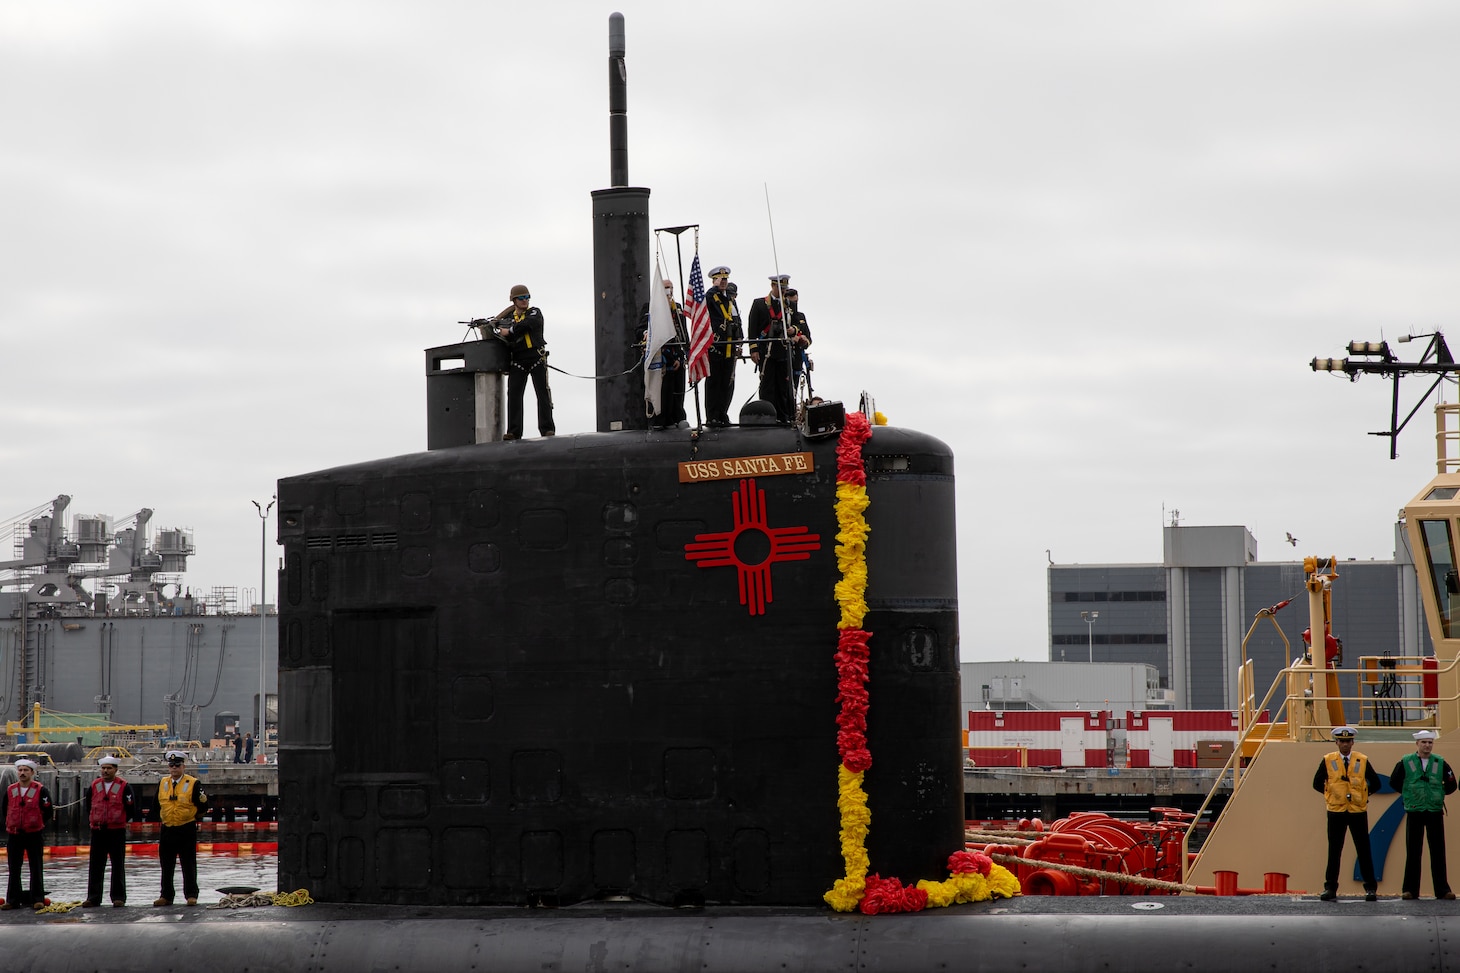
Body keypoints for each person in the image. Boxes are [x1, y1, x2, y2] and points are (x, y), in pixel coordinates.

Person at [1311, 726, 1379, 901]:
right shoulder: (1328, 760)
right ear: (1337, 742)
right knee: (1334, 851)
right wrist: (1331, 794)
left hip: (1357, 811)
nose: (1345, 744)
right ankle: (1330, 888)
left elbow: (1376, 783)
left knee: (1364, 850)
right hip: (1336, 811)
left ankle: (1370, 888)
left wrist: (1363, 794)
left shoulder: (1362, 760)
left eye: (1348, 741)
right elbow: (1317, 782)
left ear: (1352, 742)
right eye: (1342, 741)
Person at [1389, 729, 1458, 899]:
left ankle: (1442, 890)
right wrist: (1409, 794)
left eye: (1430, 742)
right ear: (1417, 744)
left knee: (1438, 851)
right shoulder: (1406, 762)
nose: (1427, 746)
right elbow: (1394, 781)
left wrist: (1438, 795)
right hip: (1415, 810)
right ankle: (1410, 890)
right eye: (1424, 742)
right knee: (1413, 851)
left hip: (1434, 810)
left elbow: (1451, 784)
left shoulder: (1440, 762)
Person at [491, 284, 555, 441]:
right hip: (518, 359)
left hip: (536, 357)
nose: (525, 300)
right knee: (514, 395)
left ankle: (547, 429)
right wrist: (495, 324)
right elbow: (495, 328)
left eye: (527, 297)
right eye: (521, 298)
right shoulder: (508, 319)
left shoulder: (534, 312)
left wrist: (510, 331)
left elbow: (528, 324)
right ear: (514, 300)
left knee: (542, 394)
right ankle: (514, 431)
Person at [82, 755, 139, 908]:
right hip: (98, 830)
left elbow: (130, 808)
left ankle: (118, 897)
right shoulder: (95, 786)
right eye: (103, 768)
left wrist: (119, 820)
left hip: (116, 831)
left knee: (118, 865)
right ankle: (93, 897)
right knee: (96, 865)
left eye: (109, 768)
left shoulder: (123, 786)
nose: (105, 771)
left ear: (115, 769)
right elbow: (88, 805)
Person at [155, 750, 208, 907]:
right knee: (166, 864)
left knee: (188, 864)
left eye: (177, 765)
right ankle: (166, 896)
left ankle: (191, 895)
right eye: (171, 765)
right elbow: (155, 805)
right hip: (167, 828)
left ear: (183, 766)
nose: (174, 768)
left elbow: (203, 806)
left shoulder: (193, 783)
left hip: (186, 828)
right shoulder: (163, 783)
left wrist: (192, 818)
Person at [1, 758, 52, 911]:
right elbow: (5, 809)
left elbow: (48, 810)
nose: (22, 773)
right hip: (15, 834)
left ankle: (37, 898)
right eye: (20, 770)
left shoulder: (40, 790)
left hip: (34, 834)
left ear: (32, 773)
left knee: (36, 867)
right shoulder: (11, 790)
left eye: (26, 770)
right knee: (14, 868)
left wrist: (36, 823)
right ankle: (12, 899)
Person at [640, 278, 687, 429]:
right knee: (663, 391)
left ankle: (678, 417)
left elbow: (683, 334)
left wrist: (682, 356)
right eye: (666, 287)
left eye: (671, 287)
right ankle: (661, 420)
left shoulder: (677, 308)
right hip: (661, 356)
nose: (670, 290)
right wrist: (645, 334)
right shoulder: (651, 307)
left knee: (678, 389)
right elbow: (640, 329)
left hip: (676, 355)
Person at [748, 274, 795, 421]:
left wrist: (793, 329)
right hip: (766, 352)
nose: (783, 292)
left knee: (783, 386)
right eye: (780, 288)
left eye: (785, 289)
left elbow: (797, 324)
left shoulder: (789, 305)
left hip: (782, 351)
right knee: (768, 386)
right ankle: (768, 416)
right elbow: (752, 328)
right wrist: (754, 349)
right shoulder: (759, 304)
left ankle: (783, 416)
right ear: (773, 286)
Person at [703, 265, 741, 426]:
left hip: (730, 346)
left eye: (725, 279)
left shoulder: (730, 300)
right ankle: (712, 416)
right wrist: (714, 287)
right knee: (714, 382)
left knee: (727, 382)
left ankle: (722, 413)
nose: (724, 282)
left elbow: (737, 320)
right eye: (721, 279)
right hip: (716, 347)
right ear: (714, 280)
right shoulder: (712, 297)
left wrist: (740, 340)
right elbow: (704, 301)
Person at [783, 287, 813, 401]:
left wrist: (804, 341)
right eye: (792, 302)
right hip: (784, 358)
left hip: (797, 359)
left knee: (794, 390)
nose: (795, 305)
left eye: (796, 302)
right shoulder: (783, 315)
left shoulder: (801, 317)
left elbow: (809, 338)